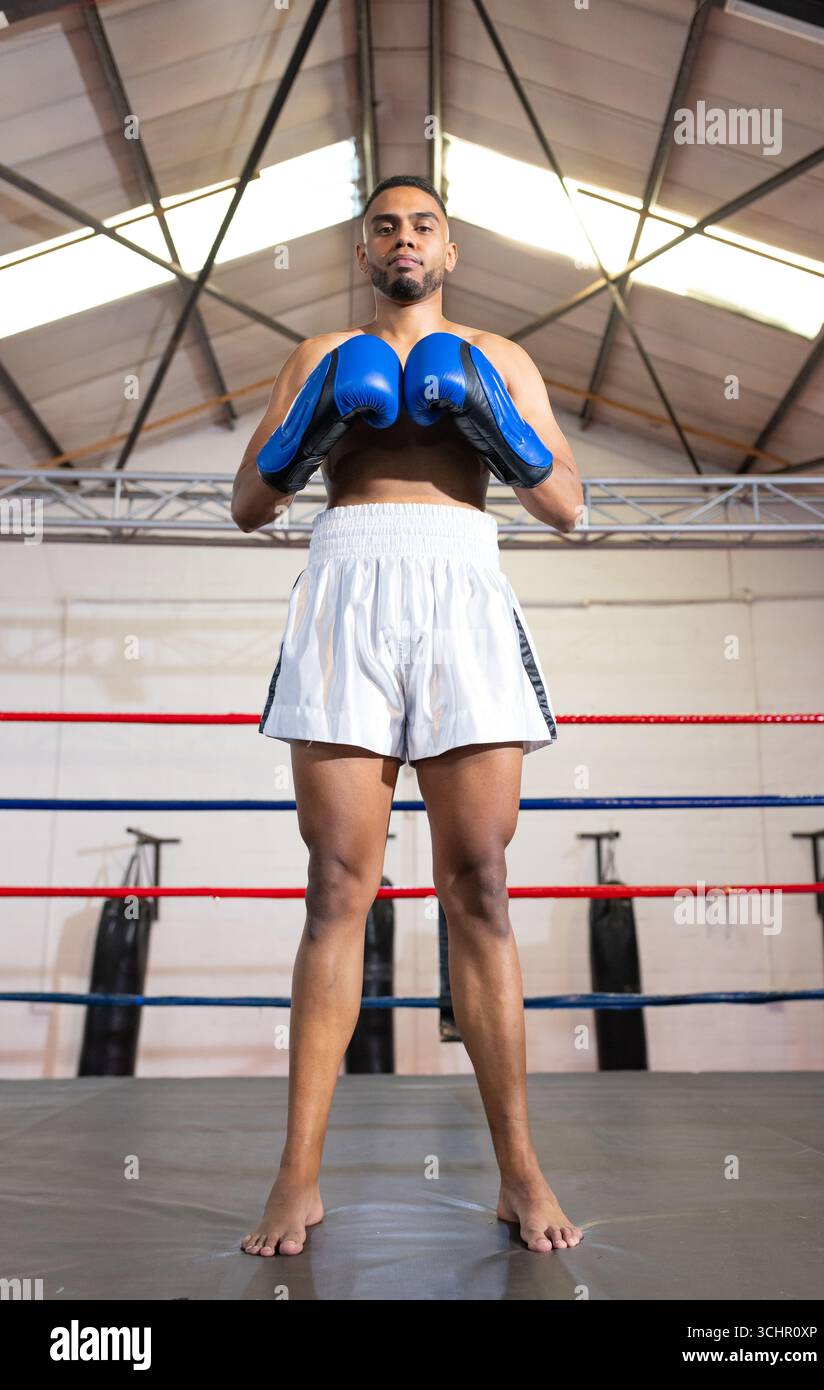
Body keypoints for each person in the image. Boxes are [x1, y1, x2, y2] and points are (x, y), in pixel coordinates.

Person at [232, 174, 584, 1257]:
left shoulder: (502, 356)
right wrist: (315, 420)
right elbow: (249, 504)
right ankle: (297, 1178)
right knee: (338, 885)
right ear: (362, 247)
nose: (404, 239)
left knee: (479, 882)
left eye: (422, 224)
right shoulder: (317, 355)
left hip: (461, 579)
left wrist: (487, 415)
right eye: (385, 225)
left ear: (451, 249)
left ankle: (520, 1172)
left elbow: (569, 506)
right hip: (347, 578)